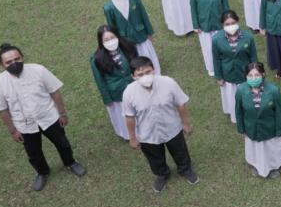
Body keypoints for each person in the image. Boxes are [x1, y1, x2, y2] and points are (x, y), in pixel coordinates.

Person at [0, 43, 86, 191]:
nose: (14, 63)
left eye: (17, 59)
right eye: (9, 62)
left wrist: (62, 113)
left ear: (22, 57)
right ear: (2, 64)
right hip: (24, 125)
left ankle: (70, 162)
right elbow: (2, 110)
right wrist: (13, 130)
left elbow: (55, 92)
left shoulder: (38, 70)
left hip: (49, 117)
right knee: (33, 153)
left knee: (63, 143)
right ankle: (42, 172)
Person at [122, 56, 198, 193]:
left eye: (148, 72)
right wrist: (132, 138)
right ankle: (162, 174)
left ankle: (185, 169)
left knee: (180, 151)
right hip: (147, 134)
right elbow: (129, 117)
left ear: (154, 70)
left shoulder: (168, 82)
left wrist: (186, 124)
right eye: (140, 74)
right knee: (154, 157)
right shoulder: (128, 93)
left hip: (172, 128)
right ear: (133, 76)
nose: (145, 76)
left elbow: (181, 104)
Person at [234, 62, 281, 179]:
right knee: (255, 148)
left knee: (271, 148)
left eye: (257, 75)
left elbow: (279, 113)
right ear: (246, 76)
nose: (254, 78)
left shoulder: (274, 91)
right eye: (250, 76)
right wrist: (241, 129)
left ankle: (274, 166)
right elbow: (239, 111)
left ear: (263, 75)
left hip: (269, 128)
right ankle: (256, 165)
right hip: (251, 128)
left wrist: (280, 130)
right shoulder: (240, 91)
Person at [103, 0, 160, 72]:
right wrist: (117, 41)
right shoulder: (108, 8)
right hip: (125, 38)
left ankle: (153, 70)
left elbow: (143, 15)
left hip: (140, 33)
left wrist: (149, 32)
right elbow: (112, 26)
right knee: (132, 57)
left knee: (147, 53)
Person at [90, 25, 137, 140]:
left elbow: (137, 64)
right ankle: (128, 135)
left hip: (133, 85)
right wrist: (107, 99)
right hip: (116, 91)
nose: (110, 41)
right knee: (123, 113)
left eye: (112, 37)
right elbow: (100, 81)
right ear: (101, 42)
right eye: (106, 40)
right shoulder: (96, 59)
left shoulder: (128, 46)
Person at [212, 11, 257, 124]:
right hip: (228, 74)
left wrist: (255, 74)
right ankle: (235, 115)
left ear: (237, 22)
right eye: (227, 24)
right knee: (231, 96)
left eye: (233, 22)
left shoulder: (248, 37)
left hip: (244, 74)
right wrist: (218, 77)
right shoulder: (216, 39)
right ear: (222, 25)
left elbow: (253, 57)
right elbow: (216, 59)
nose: (230, 26)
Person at [189, 0, 229, 76]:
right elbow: (193, 8)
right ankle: (211, 67)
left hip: (219, 22)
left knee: (221, 44)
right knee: (207, 47)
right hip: (204, 24)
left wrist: (227, 21)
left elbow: (225, 5)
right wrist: (196, 25)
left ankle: (223, 64)